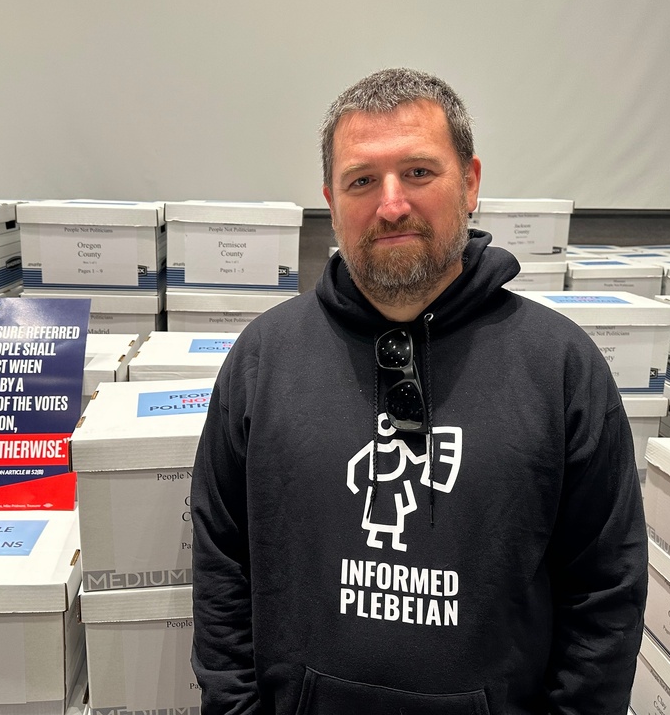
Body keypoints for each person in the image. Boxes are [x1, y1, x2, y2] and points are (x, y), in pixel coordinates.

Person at [190, 67, 647, 715]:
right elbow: (221, 573)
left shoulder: (561, 369)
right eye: (361, 180)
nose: (392, 203)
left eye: (419, 172)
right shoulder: (262, 362)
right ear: (330, 198)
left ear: (471, 182)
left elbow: (605, 600)